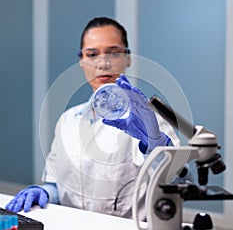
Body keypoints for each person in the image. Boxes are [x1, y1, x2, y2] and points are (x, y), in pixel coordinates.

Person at [6, 17, 191, 219]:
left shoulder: (149, 120)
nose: (103, 64)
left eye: (113, 53)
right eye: (92, 54)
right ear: (81, 61)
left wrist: (154, 143)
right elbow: (58, 187)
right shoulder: (68, 120)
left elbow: (180, 183)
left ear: (127, 58)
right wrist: (44, 192)